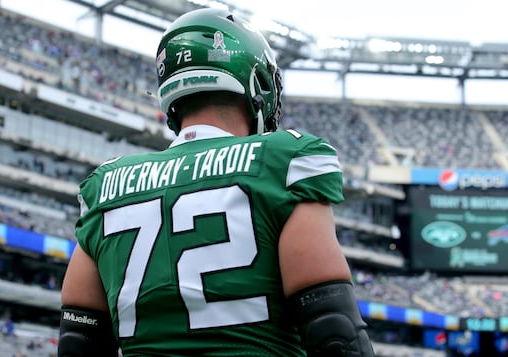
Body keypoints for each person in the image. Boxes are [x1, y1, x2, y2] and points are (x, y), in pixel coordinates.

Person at [59, 7, 374, 357]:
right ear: (258, 85)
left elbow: (77, 342)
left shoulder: (105, 186)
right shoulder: (284, 160)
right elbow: (335, 333)